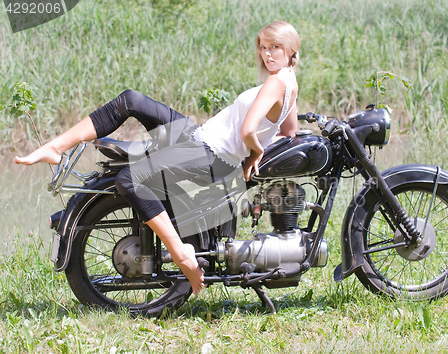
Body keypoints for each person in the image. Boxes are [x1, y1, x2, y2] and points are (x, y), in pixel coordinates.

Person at [14, 20, 300, 295]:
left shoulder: (276, 83)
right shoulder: (290, 84)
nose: (266, 54)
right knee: (131, 100)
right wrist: (255, 146)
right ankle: (55, 146)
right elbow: (289, 131)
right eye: (262, 47)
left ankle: (180, 252)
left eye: (274, 47)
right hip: (199, 139)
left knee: (130, 179)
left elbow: (250, 128)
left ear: (290, 48)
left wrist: (256, 151)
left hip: (208, 154)